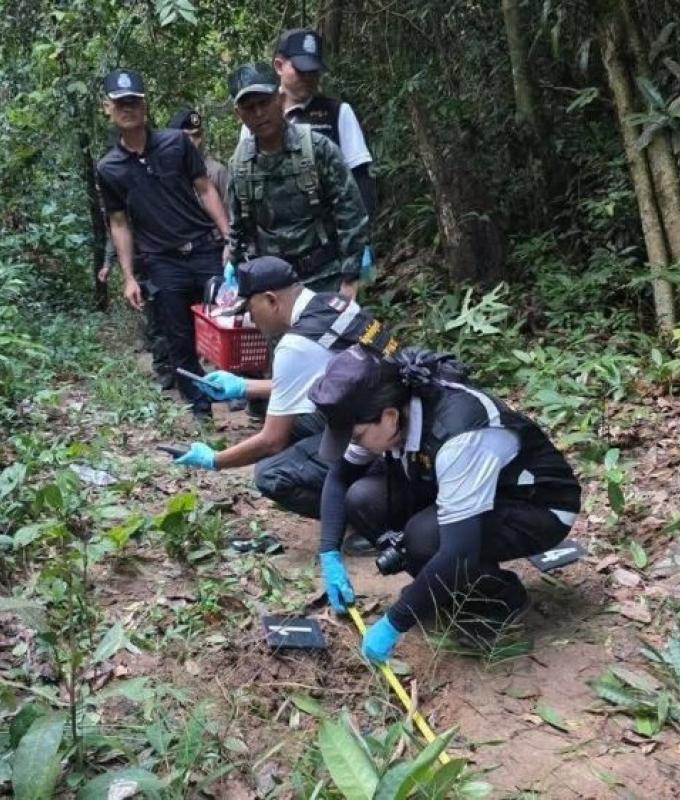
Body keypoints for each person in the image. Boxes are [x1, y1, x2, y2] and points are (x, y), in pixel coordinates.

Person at [308, 346, 582, 662]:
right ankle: (449, 589)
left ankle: (499, 598)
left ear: (390, 416)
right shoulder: (389, 412)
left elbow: (457, 551)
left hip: (537, 507)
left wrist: (395, 622)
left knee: (425, 539)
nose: (353, 444)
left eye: (355, 437)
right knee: (363, 499)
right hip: (459, 488)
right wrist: (329, 552)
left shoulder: (458, 435)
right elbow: (340, 478)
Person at [171, 256, 396, 530]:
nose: (250, 319)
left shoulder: (296, 346)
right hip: (392, 419)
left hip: (379, 440)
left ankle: (369, 517)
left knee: (271, 474)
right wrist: (244, 387)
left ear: (270, 300)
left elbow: (271, 441)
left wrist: (214, 460)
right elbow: (315, 381)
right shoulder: (334, 305)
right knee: (293, 418)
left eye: (250, 310)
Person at [96, 69, 230, 419]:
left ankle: (240, 393)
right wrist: (128, 276)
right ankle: (201, 409)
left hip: (203, 249)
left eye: (134, 102)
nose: (128, 108)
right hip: (162, 261)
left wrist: (228, 236)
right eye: (121, 103)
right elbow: (119, 222)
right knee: (178, 338)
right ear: (107, 108)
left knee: (226, 322)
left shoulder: (176, 142)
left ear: (145, 105)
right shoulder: (109, 168)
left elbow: (205, 188)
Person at [227, 63, 369, 298]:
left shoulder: (317, 148)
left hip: (324, 278)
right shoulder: (240, 164)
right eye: (249, 108)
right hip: (272, 288)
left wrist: (351, 277)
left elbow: (350, 211)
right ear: (239, 114)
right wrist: (238, 272)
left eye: (264, 102)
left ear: (280, 100)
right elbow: (239, 228)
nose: (259, 113)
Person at [273, 28, 377, 218]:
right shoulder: (259, 115)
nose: (308, 77)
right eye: (300, 70)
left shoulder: (338, 112)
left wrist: (364, 237)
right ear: (279, 66)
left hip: (329, 233)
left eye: (313, 71)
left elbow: (360, 177)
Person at [168, 108, 229, 209]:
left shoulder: (216, 172)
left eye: (197, 135)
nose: (194, 141)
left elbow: (231, 216)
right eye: (186, 136)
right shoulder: (166, 173)